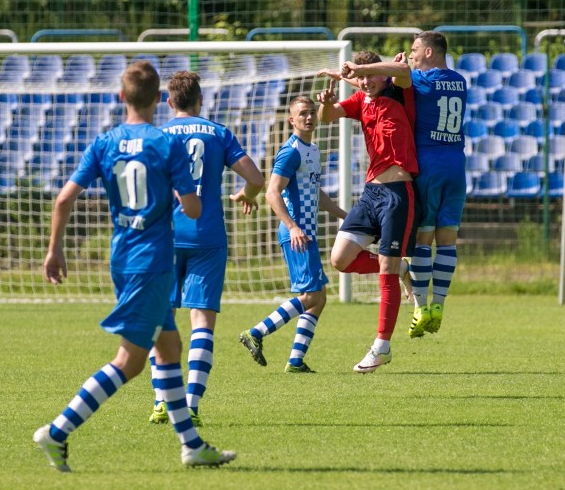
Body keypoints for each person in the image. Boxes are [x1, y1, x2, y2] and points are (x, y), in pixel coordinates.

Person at [34, 60, 236, 472]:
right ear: (159, 98)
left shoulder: (104, 143)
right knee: (129, 362)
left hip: (124, 256)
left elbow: (63, 200)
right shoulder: (165, 145)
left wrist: (55, 250)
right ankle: (56, 431)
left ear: (121, 96)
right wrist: (186, 200)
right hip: (152, 261)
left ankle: (192, 446)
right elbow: (193, 208)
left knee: (170, 347)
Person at [147, 71, 264, 426]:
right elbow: (256, 179)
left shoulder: (157, 136)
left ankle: (161, 401)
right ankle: (192, 406)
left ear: (169, 102)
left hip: (164, 236)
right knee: (202, 324)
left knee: (160, 321)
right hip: (207, 236)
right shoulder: (218, 133)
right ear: (201, 101)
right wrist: (246, 195)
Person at [341, 31, 467, 338]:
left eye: (413, 50)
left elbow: (398, 76)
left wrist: (361, 70)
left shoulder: (420, 80)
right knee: (448, 238)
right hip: (457, 164)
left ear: (428, 52)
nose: (409, 55)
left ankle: (421, 306)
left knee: (423, 239)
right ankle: (439, 303)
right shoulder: (460, 81)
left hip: (429, 164)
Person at [316, 50, 419, 373]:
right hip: (370, 194)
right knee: (340, 260)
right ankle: (401, 269)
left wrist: (358, 69)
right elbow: (327, 117)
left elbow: (402, 68)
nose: (365, 81)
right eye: (360, 79)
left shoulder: (399, 90)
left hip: (398, 193)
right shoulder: (361, 101)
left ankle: (382, 346)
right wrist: (326, 100)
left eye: (369, 75)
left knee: (385, 272)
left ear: (380, 73)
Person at [238, 96, 347, 373]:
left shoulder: (312, 150)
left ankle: (296, 361)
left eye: (312, 113)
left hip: (307, 232)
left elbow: (316, 194)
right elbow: (272, 192)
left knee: (319, 298)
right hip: (297, 233)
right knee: (311, 297)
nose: (309, 117)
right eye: (303, 114)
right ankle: (256, 333)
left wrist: (346, 216)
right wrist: (293, 227)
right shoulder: (290, 151)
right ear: (292, 120)